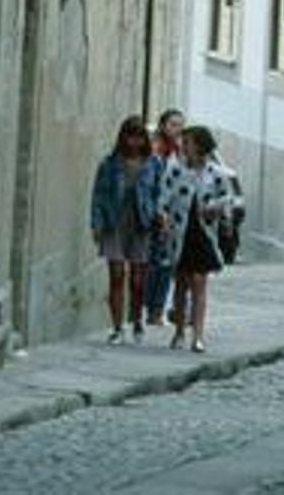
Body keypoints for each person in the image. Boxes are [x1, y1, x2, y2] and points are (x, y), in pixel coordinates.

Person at [155, 122, 233, 353]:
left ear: (199, 146)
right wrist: (163, 217)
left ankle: (198, 335)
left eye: (187, 143)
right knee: (181, 283)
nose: (183, 146)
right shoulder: (175, 170)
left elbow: (226, 197)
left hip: (203, 233)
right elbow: (163, 199)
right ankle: (179, 330)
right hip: (180, 234)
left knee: (199, 282)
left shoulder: (215, 173)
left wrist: (215, 209)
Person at [89, 114, 153, 342]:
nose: (134, 142)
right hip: (114, 222)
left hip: (141, 222)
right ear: (123, 137)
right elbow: (98, 195)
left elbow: (160, 193)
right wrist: (96, 224)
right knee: (116, 275)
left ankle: (136, 320)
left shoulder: (152, 164)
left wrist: (160, 215)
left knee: (138, 279)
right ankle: (117, 327)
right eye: (130, 136)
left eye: (139, 137)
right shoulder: (109, 164)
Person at [138, 108, 184, 325]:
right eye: (173, 124)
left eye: (180, 125)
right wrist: (157, 213)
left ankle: (156, 310)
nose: (177, 129)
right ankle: (149, 309)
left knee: (165, 265)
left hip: (171, 217)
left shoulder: (177, 152)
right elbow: (149, 186)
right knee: (153, 265)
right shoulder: (155, 151)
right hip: (153, 215)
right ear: (163, 125)